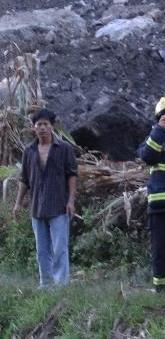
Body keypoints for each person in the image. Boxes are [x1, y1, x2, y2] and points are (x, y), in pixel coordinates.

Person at [13, 108, 77, 287]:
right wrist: (18, 203)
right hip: (37, 207)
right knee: (42, 251)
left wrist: (71, 201)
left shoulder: (64, 149)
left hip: (59, 206)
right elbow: (24, 179)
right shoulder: (29, 151)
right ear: (33, 128)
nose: (42, 128)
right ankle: (46, 285)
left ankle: (61, 286)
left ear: (52, 126)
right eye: (38, 124)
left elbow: (72, 175)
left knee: (59, 249)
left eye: (45, 124)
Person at [137, 97, 165, 292]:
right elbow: (147, 156)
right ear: (158, 118)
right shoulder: (155, 136)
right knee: (160, 249)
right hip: (159, 203)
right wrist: (159, 131)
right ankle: (161, 290)